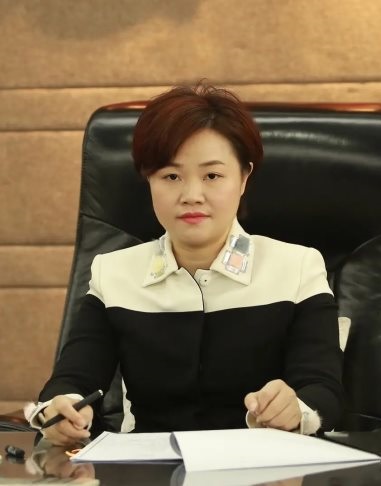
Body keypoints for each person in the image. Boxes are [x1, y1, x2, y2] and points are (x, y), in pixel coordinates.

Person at [26, 83, 344, 446]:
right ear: (149, 179)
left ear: (244, 177)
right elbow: (74, 379)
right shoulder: (112, 274)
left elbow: (323, 391)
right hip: (151, 465)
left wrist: (297, 409)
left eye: (212, 176)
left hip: (265, 463)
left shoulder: (297, 267)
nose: (192, 195)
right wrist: (59, 410)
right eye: (171, 176)